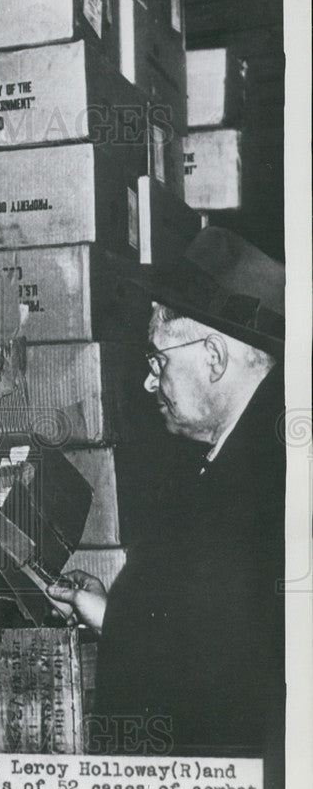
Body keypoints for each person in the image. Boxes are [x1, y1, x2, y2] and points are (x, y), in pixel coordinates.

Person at [48, 226, 285, 760]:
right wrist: (115, 613)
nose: (151, 382)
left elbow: (223, 685)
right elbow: (207, 633)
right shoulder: (249, 459)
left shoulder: (261, 488)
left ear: (214, 358)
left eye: (159, 360)